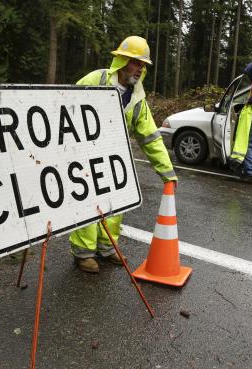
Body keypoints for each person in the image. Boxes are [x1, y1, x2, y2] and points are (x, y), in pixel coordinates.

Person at [69, 36, 178, 273]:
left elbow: (150, 137)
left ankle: (108, 248)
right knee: (87, 202)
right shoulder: (96, 79)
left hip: (114, 159)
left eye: (143, 65)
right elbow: (66, 104)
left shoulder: (137, 98)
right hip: (85, 155)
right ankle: (84, 253)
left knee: (115, 203)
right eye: (136, 63)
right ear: (122, 60)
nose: (140, 69)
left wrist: (167, 173)